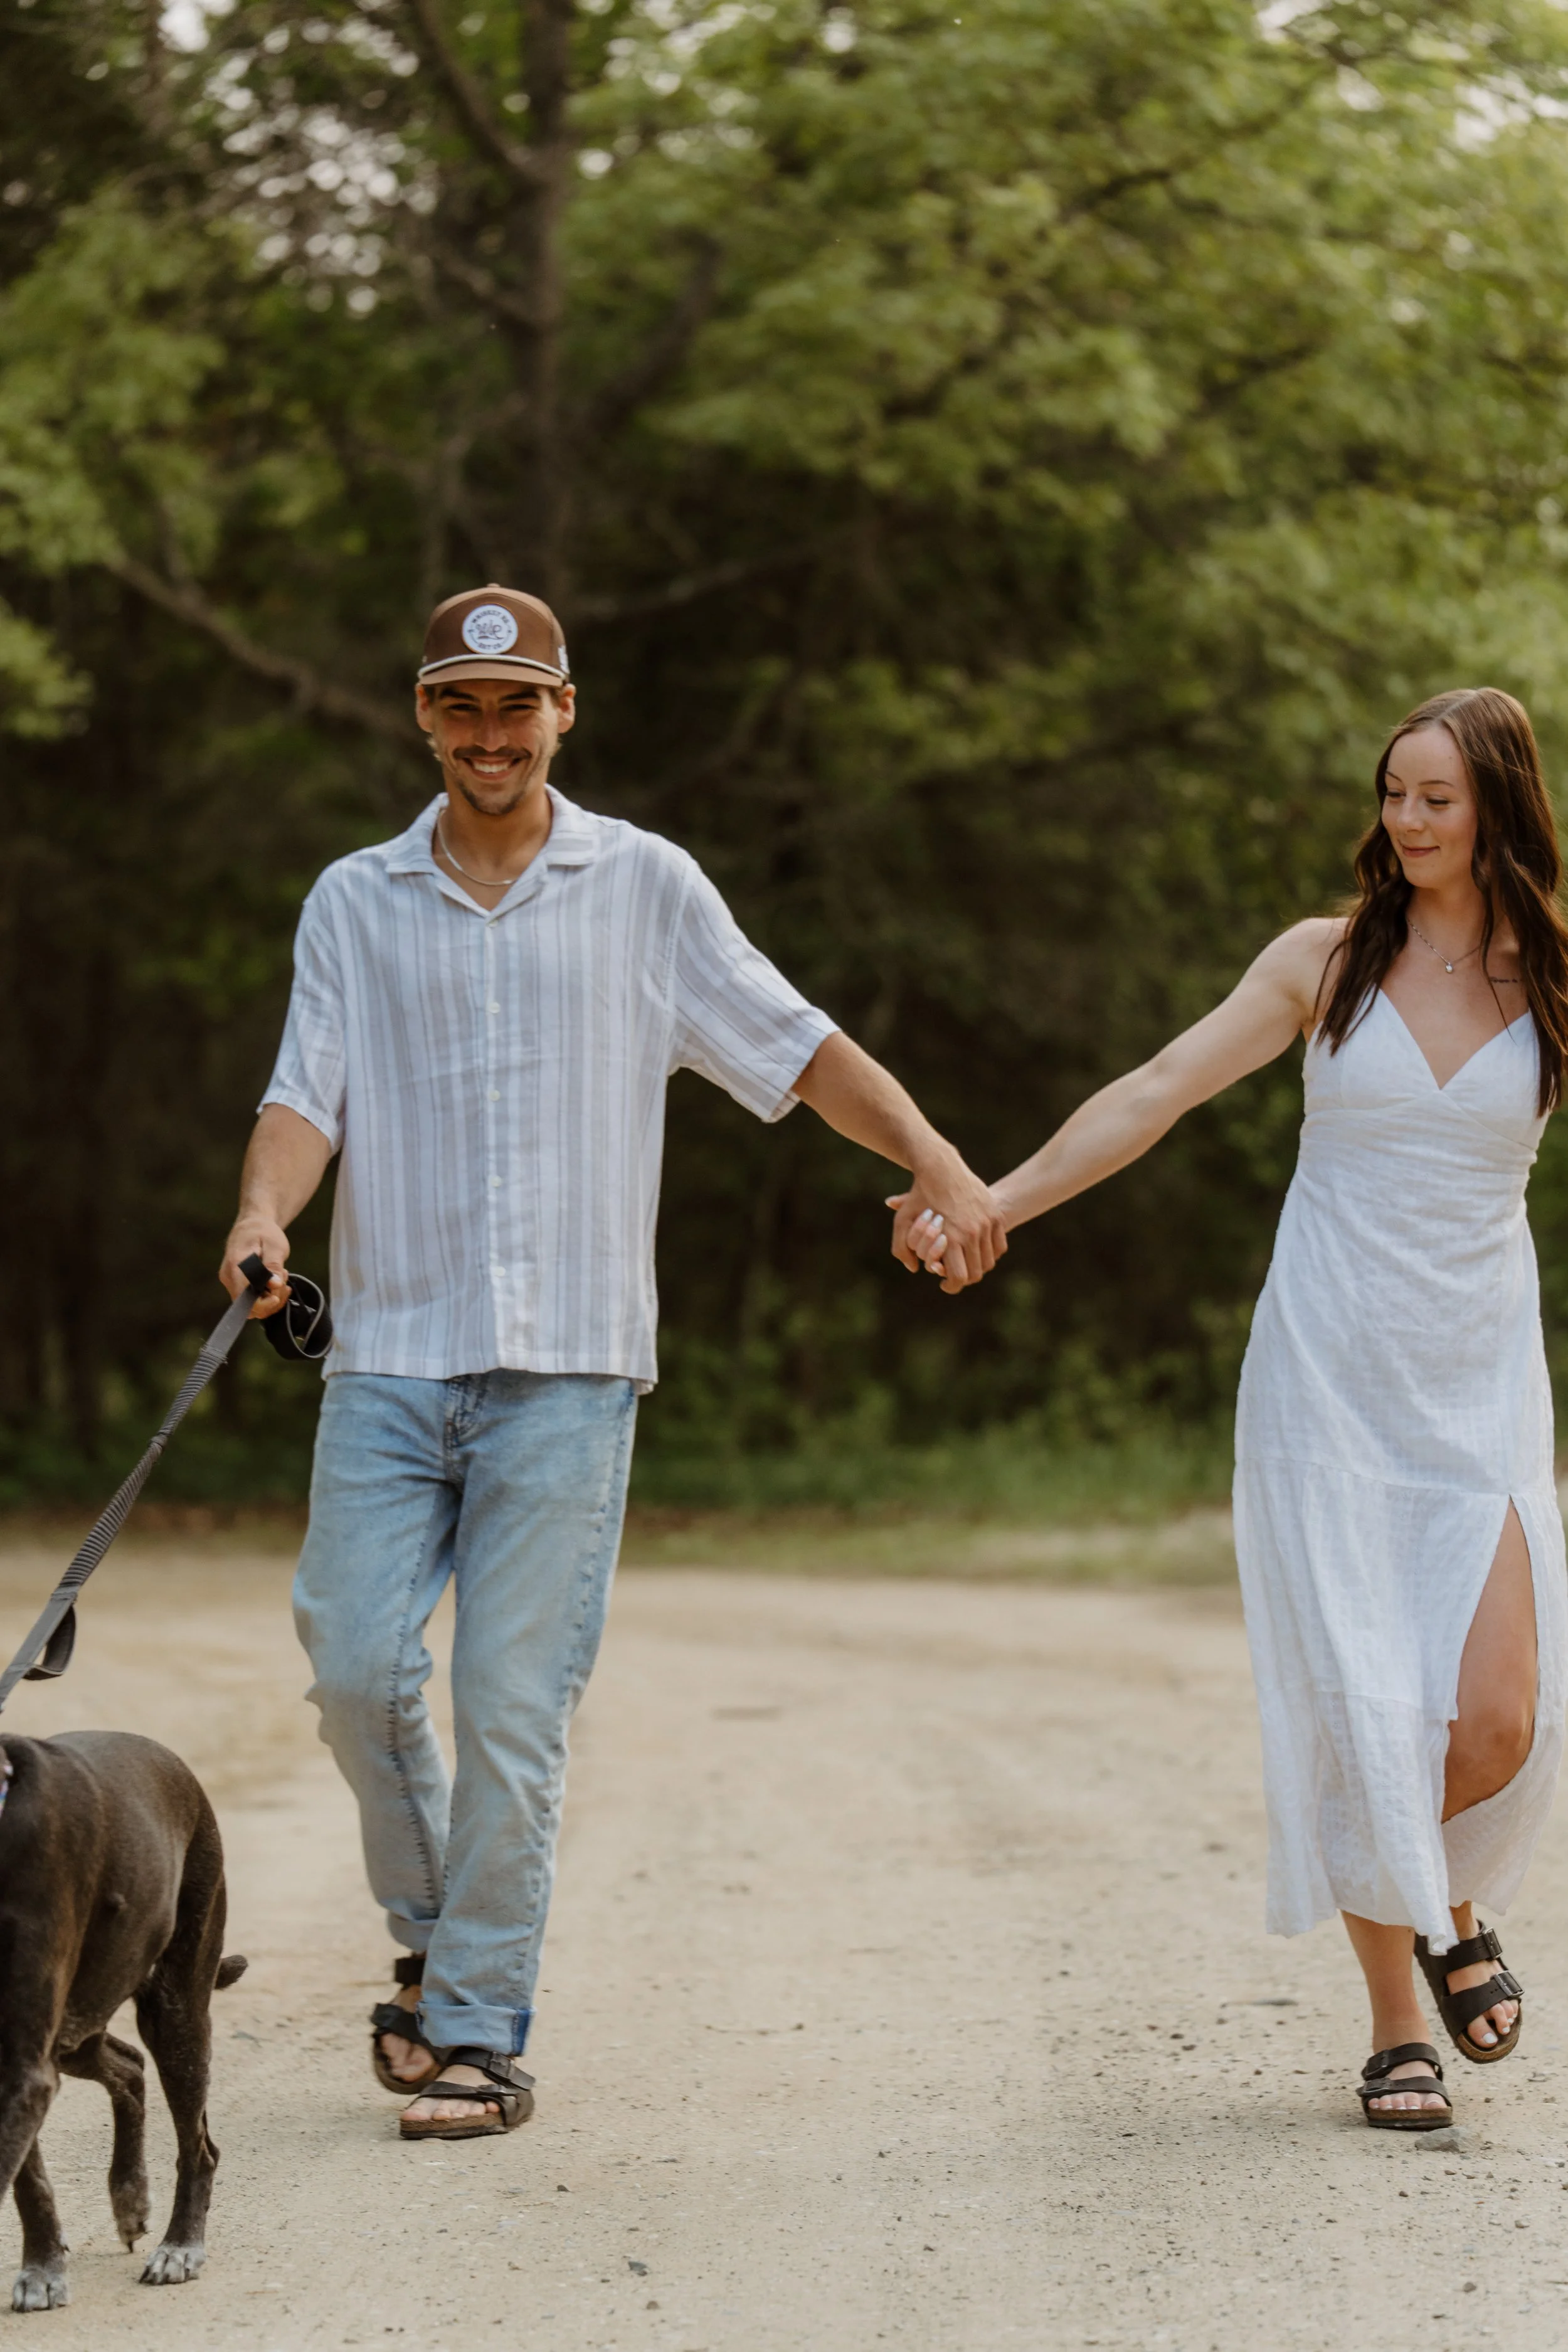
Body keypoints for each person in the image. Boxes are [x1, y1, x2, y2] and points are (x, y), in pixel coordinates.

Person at [220, 583, 1006, 2141]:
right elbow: (307, 1091)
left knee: (513, 1705)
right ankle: (442, 1932)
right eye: (462, 706)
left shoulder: (645, 886)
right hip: (387, 1355)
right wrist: (259, 1212)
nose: (490, 736)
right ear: (423, 716)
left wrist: (934, 1157)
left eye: (518, 709)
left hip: (570, 1371)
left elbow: (797, 1048)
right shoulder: (354, 900)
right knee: (353, 1664)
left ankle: (472, 2027)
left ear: (562, 714)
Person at [895, 687, 1568, 2129]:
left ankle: (1442, 1897)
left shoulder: (1550, 978)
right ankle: (1397, 2023)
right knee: (1369, 1708)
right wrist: (993, 1204)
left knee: (1498, 1719)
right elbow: (1153, 1092)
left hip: (1476, 1381)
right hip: (1326, 1371)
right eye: (1392, 792)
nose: (1403, 820)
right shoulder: (1322, 963)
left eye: (1435, 798)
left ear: (1498, 807)